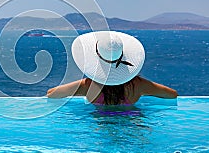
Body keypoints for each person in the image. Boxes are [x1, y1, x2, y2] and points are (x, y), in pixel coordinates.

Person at [47, 31, 178, 105]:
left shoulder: (88, 86)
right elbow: (172, 95)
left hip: (101, 126)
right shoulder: (138, 85)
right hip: (131, 124)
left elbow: (52, 94)